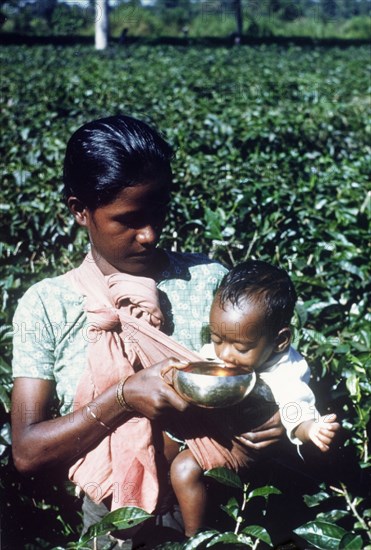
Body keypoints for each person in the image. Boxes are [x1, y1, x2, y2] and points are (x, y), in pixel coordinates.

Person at [11, 115, 284, 549]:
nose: (150, 234)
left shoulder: (211, 283)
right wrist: (123, 398)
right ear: (79, 210)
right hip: (111, 526)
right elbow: (27, 451)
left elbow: (274, 375)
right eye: (129, 219)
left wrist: (274, 419)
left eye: (159, 211)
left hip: (226, 515)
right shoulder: (46, 304)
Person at [165, 260, 341, 537]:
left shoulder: (285, 370)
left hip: (244, 448)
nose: (225, 354)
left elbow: (294, 403)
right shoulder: (229, 349)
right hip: (216, 430)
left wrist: (309, 429)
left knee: (185, 469)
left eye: (241, 347)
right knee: (161, 444)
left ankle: (195, 537)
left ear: (280, 341)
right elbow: (204, 365)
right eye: (217, 339)